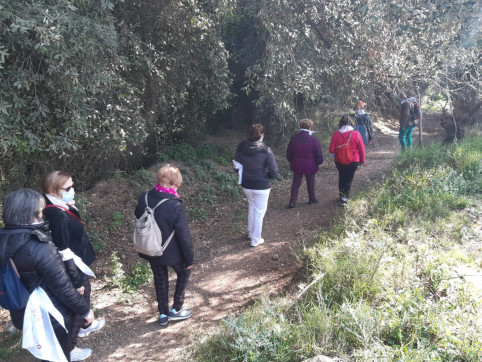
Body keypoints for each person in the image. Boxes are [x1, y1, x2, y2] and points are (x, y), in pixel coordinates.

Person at [0, 189, 94, 362]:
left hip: (22, 310)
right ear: (34, 214)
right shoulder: (39, 245)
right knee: (58, 355)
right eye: (41, 211)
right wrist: (84, 310)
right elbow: (62, 287)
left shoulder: (3, 238)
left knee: (46, 353)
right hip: (51, 315)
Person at [41, 171, 105, 361]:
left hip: (78, 261)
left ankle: (85, 326)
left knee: (85, 296)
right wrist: (75, 280)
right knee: (78, 300)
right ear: (53, 190)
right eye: (67, 188)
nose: (72, 190)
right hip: (73, 266)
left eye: (72, 185)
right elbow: (63, 250)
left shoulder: (60, 205)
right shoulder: (56, 214)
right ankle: (70, 348)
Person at [135, 164, 194, 327]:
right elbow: (184, 235)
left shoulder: (144, 197)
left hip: (150, 248)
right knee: (184, 272)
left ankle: (162, 314)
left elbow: (139, 214)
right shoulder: (175, 205)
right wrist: (189, 259)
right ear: (175, 183)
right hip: (172, 252)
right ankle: (176, 309)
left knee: (159, 278)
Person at [234, 124, 278, 247]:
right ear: (262, 135)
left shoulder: (241, 146)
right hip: (262, 185)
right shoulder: (266, 149)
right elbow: (274, 170)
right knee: (259, 212)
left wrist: (243, 174)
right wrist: (267, 177)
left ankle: (250, 232)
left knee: (252, 207)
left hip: (246, 184)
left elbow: (236, 166)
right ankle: (255, 239)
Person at [286, 118, 323, 208]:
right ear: (310, 127)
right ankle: (311, 198)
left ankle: (292, 201)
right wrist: (319, 162)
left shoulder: (294, 138)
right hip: (310, 164)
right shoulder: (313, 140)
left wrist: (291, 161)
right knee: (310, 181)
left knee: (296, 183)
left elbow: (289, 153)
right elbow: (318, 153)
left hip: (297, 163)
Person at [329, 115, 366, 206]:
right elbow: (361, 149)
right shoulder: (356, 134)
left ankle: (341, 196)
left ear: (341, 123)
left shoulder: (336, 134)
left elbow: (331, 150)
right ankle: (344, 199)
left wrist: (335, 155)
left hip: (339, 160)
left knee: (342, 176)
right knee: (349, 179)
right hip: (353, 161)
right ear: (351, 123)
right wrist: (362, 160)